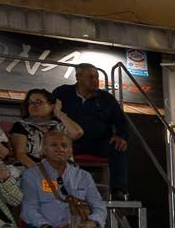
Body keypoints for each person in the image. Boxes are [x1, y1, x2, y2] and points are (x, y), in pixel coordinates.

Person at [53, 64, 131, 198]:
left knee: (119, 147)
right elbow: (50, 113)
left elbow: (121, 121)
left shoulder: (106, 98)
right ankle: (55, 188)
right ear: (78, 77)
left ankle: (118, 190)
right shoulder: (62, 93)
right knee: (52, 148)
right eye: (91, 77)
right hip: (70, 142)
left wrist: (121, 136)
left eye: (96, 77)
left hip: (98, 142)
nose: (95, 80)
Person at [20, 130, 106, 228]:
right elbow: (29, 209)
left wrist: (92, 223)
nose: (59, 149)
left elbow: (99, 205)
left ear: (70, 151)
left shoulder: (83, 176)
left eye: (64, 146)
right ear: (44, 150)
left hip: (76, 227)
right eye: (53, 145)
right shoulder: (31, 175)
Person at [9, 88, 83, 170]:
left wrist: (59, 113)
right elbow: (20, 155)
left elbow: (77, 133)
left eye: (38, 102)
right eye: (30, 103)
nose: (33, 105)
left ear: (52, 106)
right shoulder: (21, 126)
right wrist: (42, 173)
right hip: (32, 169)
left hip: (62, 169)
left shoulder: (60, 126)